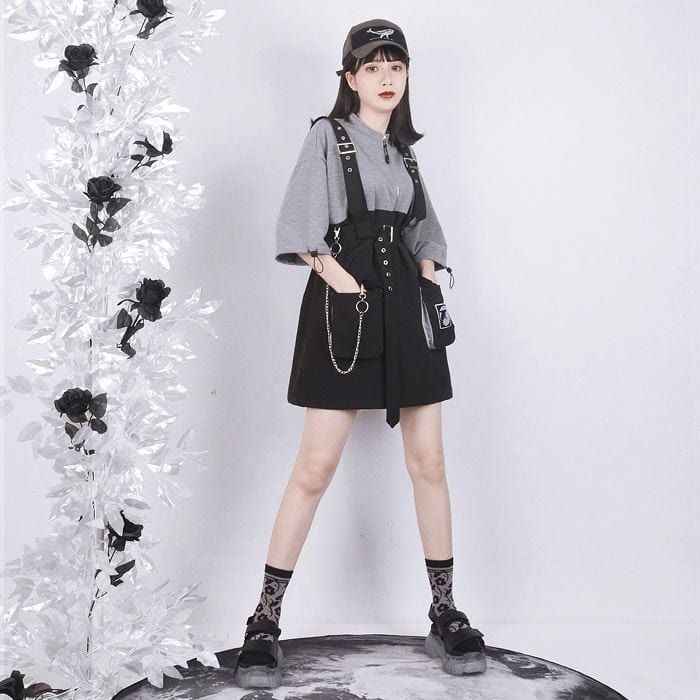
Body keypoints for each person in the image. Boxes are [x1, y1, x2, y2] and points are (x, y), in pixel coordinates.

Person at [233, 18, 487, 690]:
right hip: (344, 307)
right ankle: (264, 619)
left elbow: (425, 231)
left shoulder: (405, 153)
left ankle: (444, 610)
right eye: (372, 66)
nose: (385, 77)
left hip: (406, 309)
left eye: (395, 66)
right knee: (314, 467)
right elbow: (298, 227)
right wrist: (340, 280)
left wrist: (427, 275)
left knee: (430, 462)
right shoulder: (327, 136)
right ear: (350, 77)